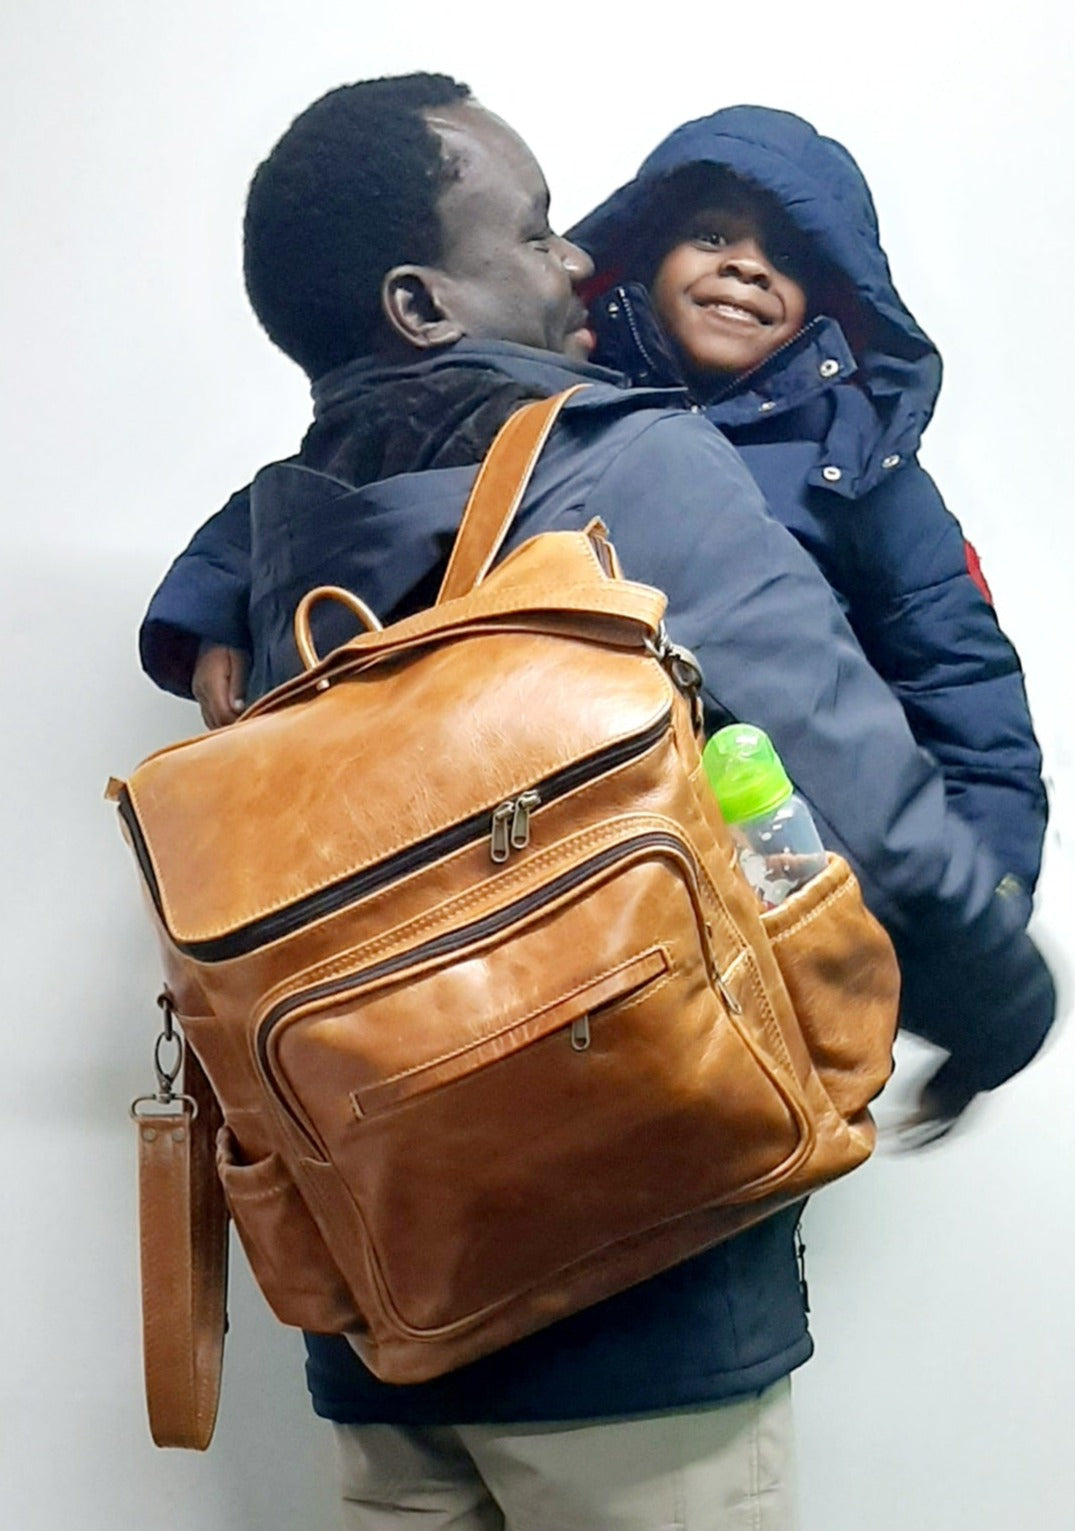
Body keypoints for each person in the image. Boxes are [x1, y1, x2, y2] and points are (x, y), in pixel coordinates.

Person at [137, 74, 1055, 1528]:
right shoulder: (633, 458)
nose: (575, 261)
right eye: (540, 227)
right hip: (640, 1294)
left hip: (385, 1309)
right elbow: (855, 784)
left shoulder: (278, 528)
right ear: (423, 302)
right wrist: (999, 998)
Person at [569, 105, 1047, 925]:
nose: (748, 268)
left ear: (829, 302)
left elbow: (962, 688)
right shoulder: (565, 419)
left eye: (784, 258)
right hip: (588, 878)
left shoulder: (862, 467)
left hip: (799, 886)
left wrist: (985, 905)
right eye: (713, 237)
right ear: (642, 258)